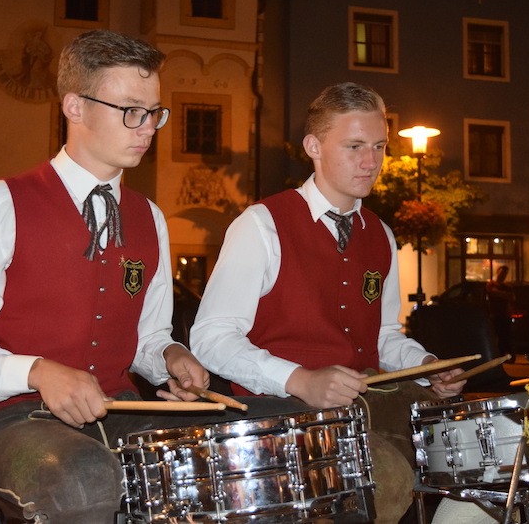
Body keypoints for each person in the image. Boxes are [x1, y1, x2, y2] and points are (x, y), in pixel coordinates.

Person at [0, 30, 210, 523]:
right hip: (14, 422)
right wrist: (36, 370)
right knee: (82, 478)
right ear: (75, 107)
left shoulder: (151, 218)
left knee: (202, 466)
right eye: (131, 110)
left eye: (154, 112)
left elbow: (148, 338)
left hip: (119, 412)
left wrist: (170, 357)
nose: (148, 128)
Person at [190, 82, 467, 524]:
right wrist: (298, 379)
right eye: (354, 146)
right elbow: (211, 337)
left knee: (472, 457)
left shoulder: (381, 234)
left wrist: (427, 365)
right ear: (313, 147)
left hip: (364, 411)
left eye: (379, 146)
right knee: (390, 478)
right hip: (283, 418)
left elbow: (383, 336)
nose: (371, 161)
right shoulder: (262, 225)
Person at [486, 265, 514, 356]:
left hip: (505, 314)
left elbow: (512, 297)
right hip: (496, 314)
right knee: (498, 334)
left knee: (505, 335)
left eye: (505, 273)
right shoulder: (491, 284)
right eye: (502, 273)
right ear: (498, 272)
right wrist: (504, 294)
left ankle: (504, 353)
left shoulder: (507, 287)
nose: (503, 275)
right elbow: (493, 292)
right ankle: (501, 353)